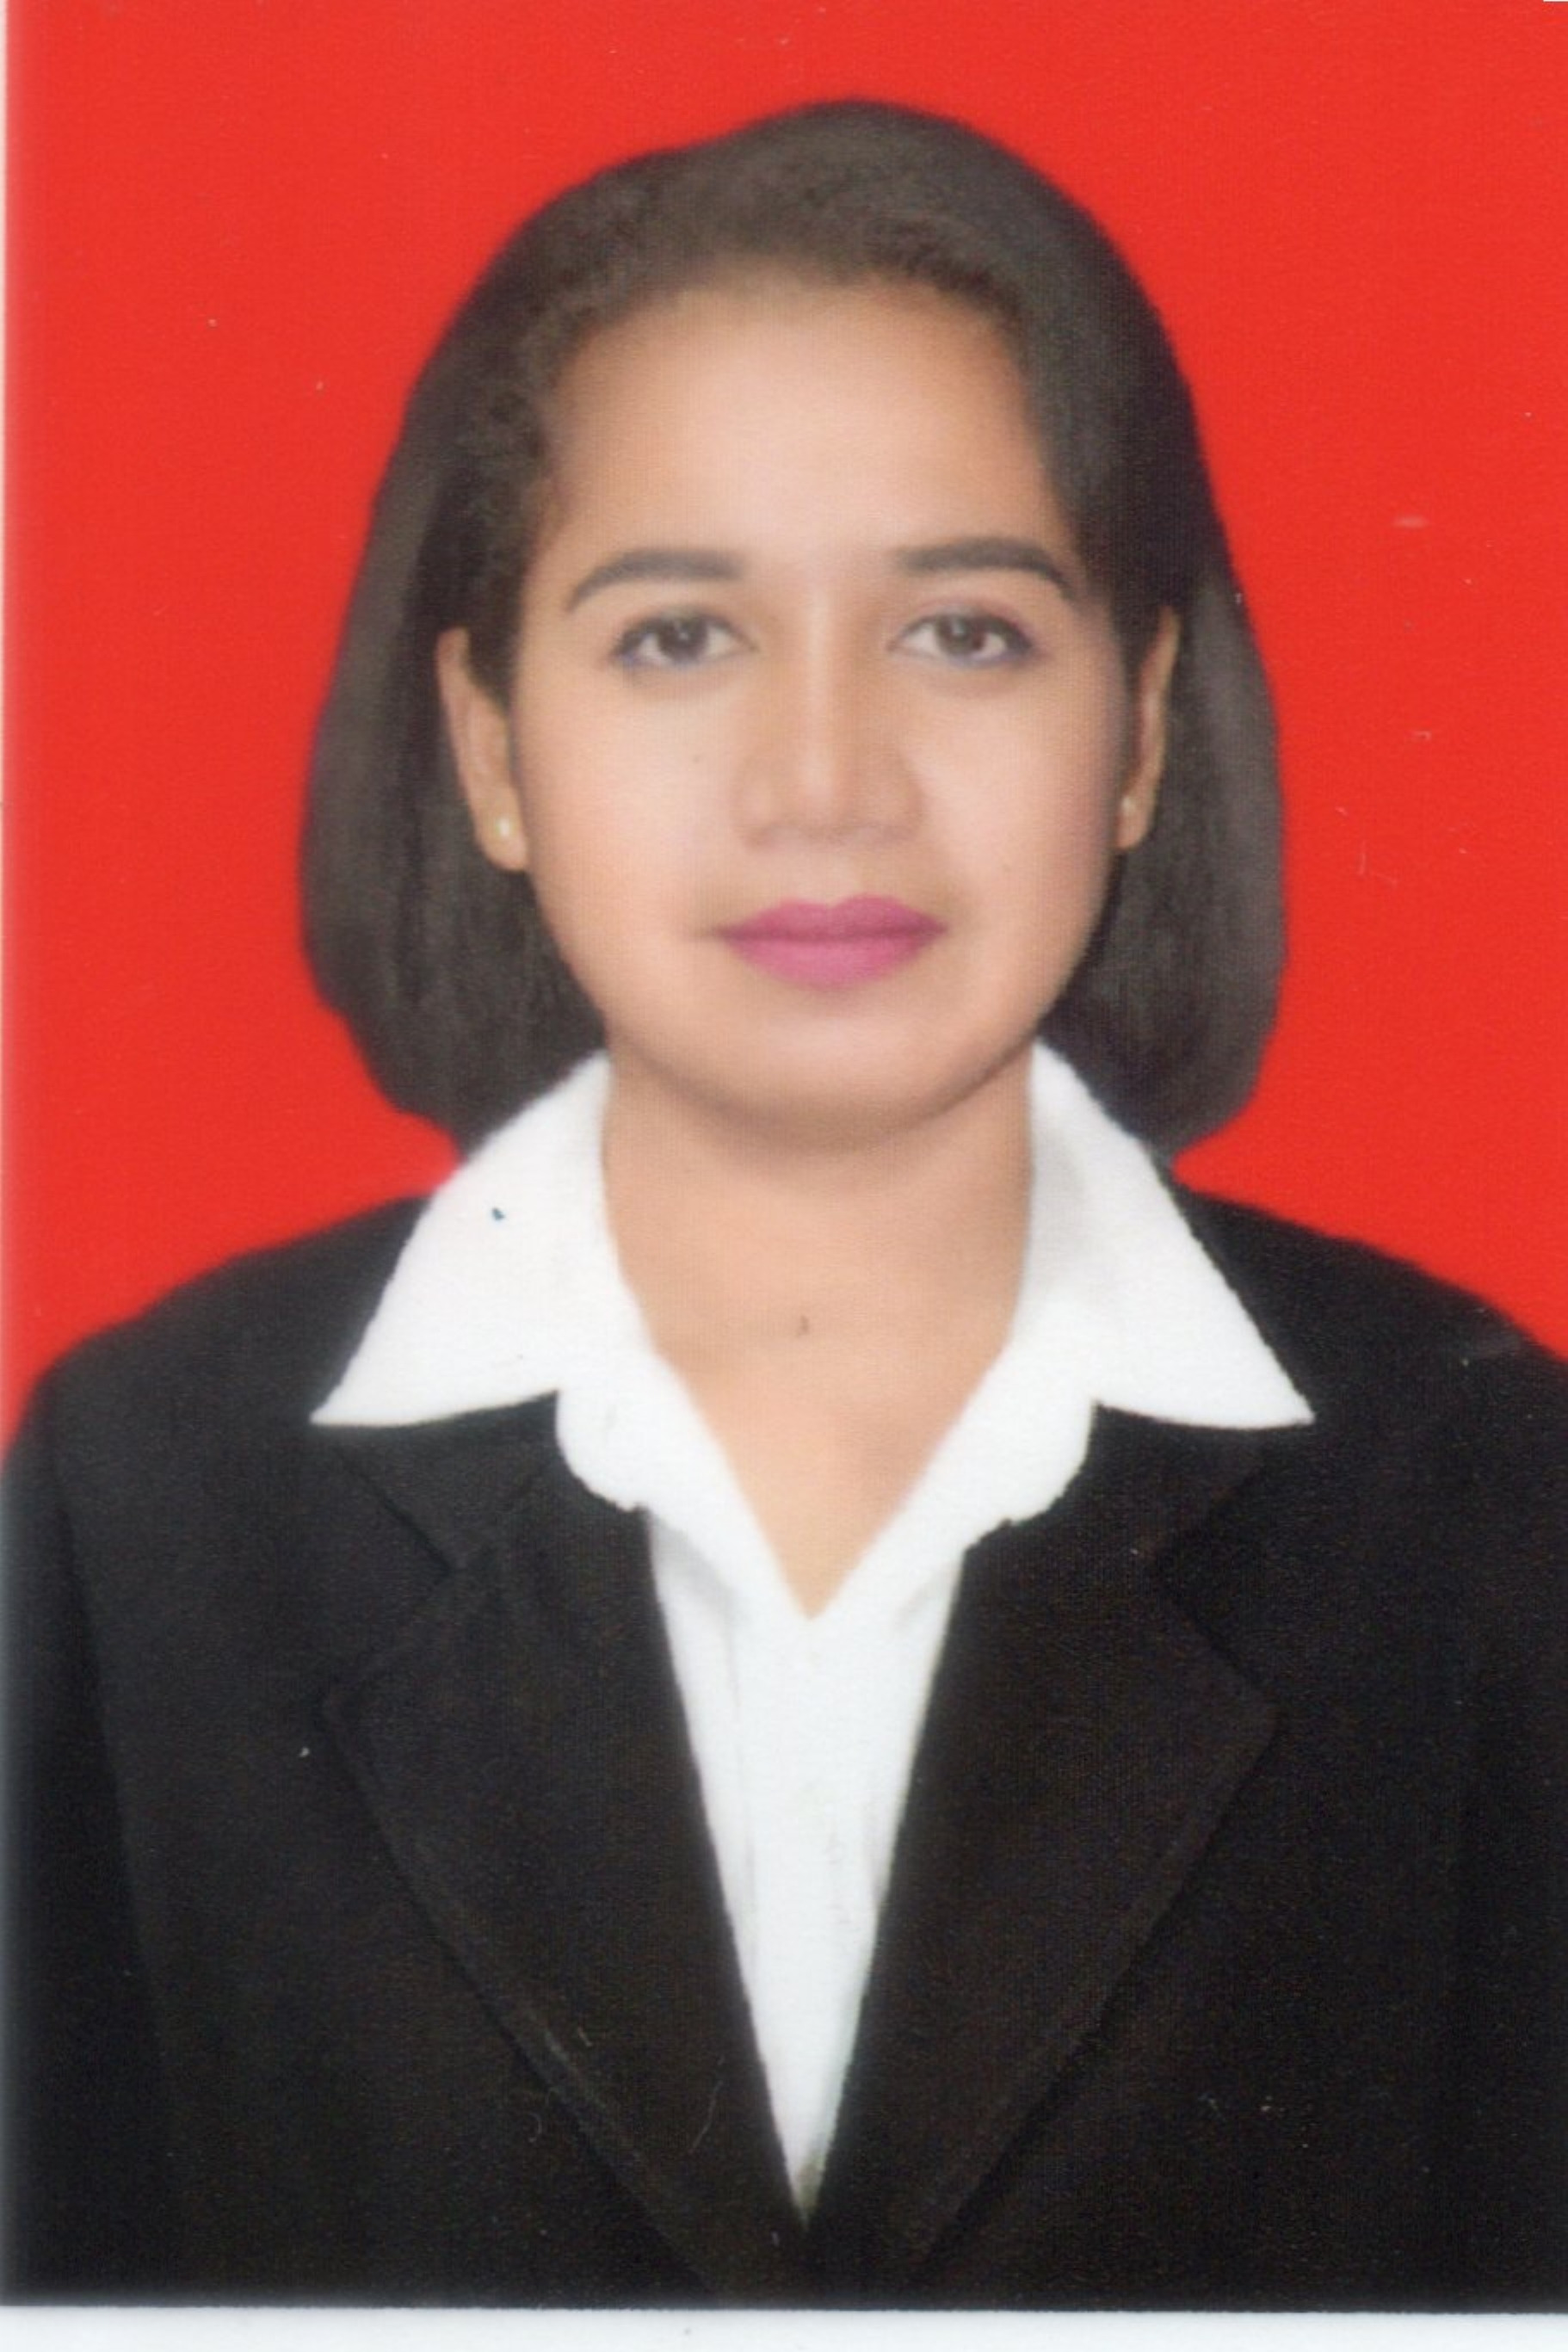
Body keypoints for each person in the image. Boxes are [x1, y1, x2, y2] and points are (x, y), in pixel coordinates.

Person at [4, 101, 1564, 2309]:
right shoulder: (143, 1498)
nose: (823, 783)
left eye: (962, 633)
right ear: (488, 746)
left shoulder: (1479, 1494)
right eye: (676, 638)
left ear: (1136, 727)